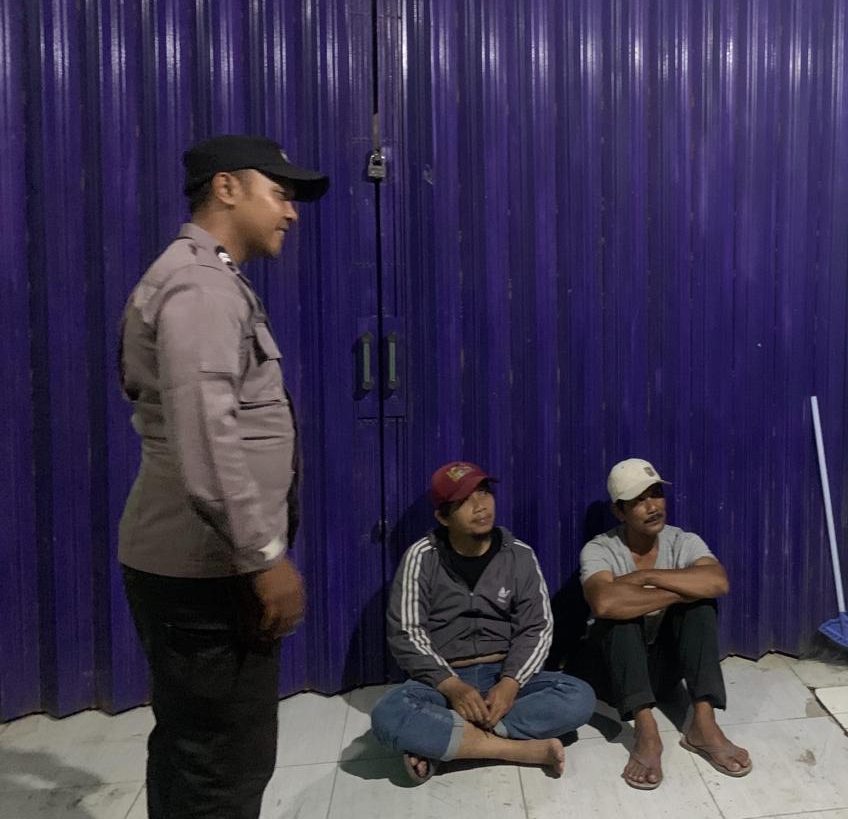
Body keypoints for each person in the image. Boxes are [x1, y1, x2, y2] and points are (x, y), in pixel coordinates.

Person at [117, 135, 329, 818]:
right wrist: (263, 556)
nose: (290, 212)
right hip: (207, 574)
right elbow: (207, 438)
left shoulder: (206, 278)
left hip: (202, 566)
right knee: (223, 766)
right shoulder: (201, 287)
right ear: (227, 188)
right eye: (280, 194)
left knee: (197, 752)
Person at [371, 462, 595, 783]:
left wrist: (511, 683)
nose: (480, 506)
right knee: (388, 713)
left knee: (579, 697)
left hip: (503, 673)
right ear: (442, 516)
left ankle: (445, 740)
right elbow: (406, 633)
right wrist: (452, 687)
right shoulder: (421, 557)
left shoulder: (519, 555)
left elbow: (537, 627)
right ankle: (517, 749)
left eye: (484, 492)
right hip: (443, 681)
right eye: (464, 500)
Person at [580, 458, 751, 790]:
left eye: (656, 494)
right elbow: (604, 602)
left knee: (701, 605)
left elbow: (718, 582)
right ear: (619, 511)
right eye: (638, 500)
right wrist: (680, 589)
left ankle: (703, 725)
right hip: (616, 674)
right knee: (619, 617)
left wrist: (645, 577)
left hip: (665, 671)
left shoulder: (682, 541)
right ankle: (646, 731)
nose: (652, 507)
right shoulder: (600, 549)